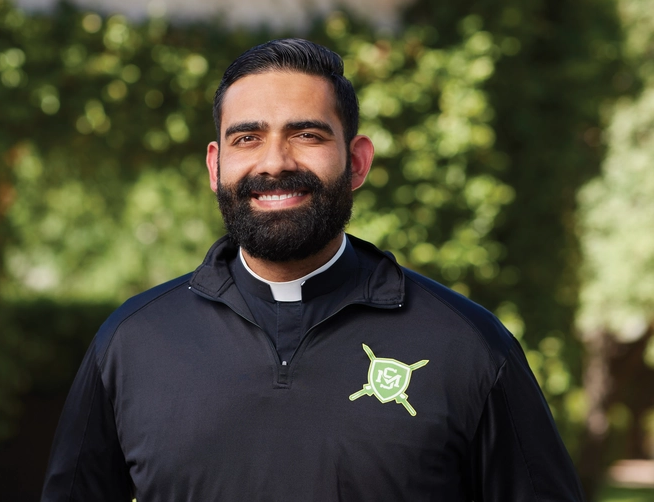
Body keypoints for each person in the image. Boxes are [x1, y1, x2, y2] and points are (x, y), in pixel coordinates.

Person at [40, 38, 584, 501]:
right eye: (247, 138)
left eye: (308, 135)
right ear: (215, 165)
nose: (274, 162)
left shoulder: (469, 347)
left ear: (358, 161)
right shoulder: (131, 343)